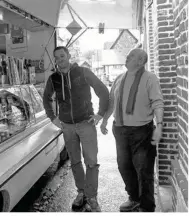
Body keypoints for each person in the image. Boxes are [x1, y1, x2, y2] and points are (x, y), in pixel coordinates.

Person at [43, 46, 109, 212]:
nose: (60, 60)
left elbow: (102, 91)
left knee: (92, 162)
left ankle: (92, 196)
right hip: (67, 127)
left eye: (62, 56)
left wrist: (100, 114)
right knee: (75, 162)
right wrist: (53, 118)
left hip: (86, 123)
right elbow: (46, 99)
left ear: (69, 56)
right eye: (57, 57)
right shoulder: (53, 79)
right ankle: (81, 193)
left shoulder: (83, 72)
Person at [100, 48, 164, 212]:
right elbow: (112, 101)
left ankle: (147, 206)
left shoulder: (150, 78)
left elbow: (157, 102)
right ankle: (134, 198)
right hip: (120, 130)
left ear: (141, 61)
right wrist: (105, 120)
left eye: (131, 56)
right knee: (124, 166)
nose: (127, 57)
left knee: (144, 170)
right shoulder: (120, 78)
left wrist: (160, 126)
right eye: (128, 55)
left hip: (142, 131)